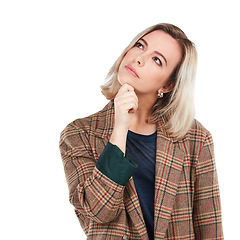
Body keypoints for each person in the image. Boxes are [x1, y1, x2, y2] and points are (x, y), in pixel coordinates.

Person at [59, 23, 224, 239]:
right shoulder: (78, 134)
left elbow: (209, 227)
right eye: (140, 45)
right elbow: (98, 210)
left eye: (157, 60)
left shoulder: (195, 139)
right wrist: (120, 128)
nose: (139, 58)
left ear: (168, 85)